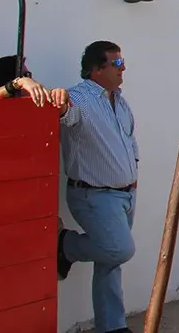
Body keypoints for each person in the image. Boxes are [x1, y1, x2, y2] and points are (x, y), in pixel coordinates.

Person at [56, 41, 138, 333]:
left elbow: (129, 141)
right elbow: (66, 113)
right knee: (118, 250)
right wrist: (61, 103)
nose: (123, 68)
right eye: (116, 64)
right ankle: (65, 245)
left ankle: (111, 327)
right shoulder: (79, 99)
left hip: (125, 194)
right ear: (96, 69)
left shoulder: (119, 100)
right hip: (94, 194)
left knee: (109, 262)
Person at [0, 54, 70, 110]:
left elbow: (73, 119)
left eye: (28, 76)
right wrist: (17, 84)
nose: (31, 82)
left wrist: (59, 102)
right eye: (26, 76)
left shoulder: (35, 108)